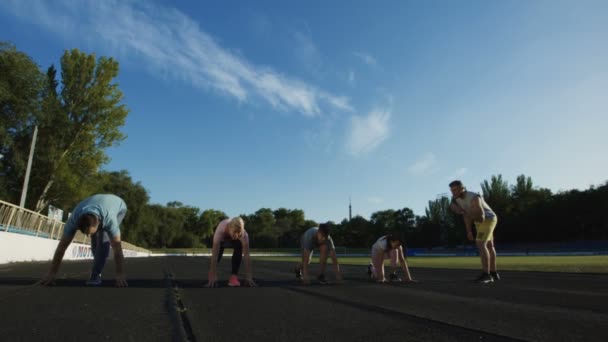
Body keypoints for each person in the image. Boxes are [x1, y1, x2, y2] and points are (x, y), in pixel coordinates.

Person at [38, 194, 128, 287]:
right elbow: (61, 248)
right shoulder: (72, 221)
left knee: (103, 239)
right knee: (95, 238)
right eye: (85, 233)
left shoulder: (110, 220)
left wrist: (120, 274)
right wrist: (51, 273)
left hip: (119, 206)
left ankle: (95, 275)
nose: (88, 236)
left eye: (90, 233)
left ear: (98, 222)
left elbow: (117, 248)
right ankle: (97, 266)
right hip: (96, 205)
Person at [449, 180, 500, 283]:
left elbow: (481, 217)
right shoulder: (457, 200)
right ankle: (494, 273)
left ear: (462, 188)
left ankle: (487, 275)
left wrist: (467, 213)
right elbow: (466, 216)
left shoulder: (474, 197)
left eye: (455, 190)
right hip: (478, 221)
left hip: (488, 218)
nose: (453, 193)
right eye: (451, 190)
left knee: (480, 243)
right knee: (490, 246)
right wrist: (469, 231)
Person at [206, 217, 256, 287]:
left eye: (238, 233)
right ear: (230, 228)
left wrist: (249, 276)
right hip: (223, 238)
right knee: (218, 253)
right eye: (234, 233)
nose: (236, 235)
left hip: (235, 239)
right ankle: (211, 273)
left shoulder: (244, 235)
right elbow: (214, 255)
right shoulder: (220, 230)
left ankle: (233, 277)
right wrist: (213, 274)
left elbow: (246, 255)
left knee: (239, 246)